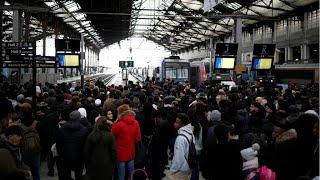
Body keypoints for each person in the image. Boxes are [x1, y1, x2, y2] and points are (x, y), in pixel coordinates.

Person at [56, 110, 89, 180]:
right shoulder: (84, 130)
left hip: (66, 157)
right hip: (79, 158)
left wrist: (61, 155)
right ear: (79, 118)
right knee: (79, 175)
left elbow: (59, 144)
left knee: (66, 175)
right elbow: (86, 146)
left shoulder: (62, 129)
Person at [111, 104, 141, 180]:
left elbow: (112, 136)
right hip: (131, 152)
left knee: (121, 175)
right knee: (131, 174)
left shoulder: (118, 124)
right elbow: (138, 139)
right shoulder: (136, 122)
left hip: (120, 154)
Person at [84, 116, 116, 180]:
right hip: (107, 165)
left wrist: (87, 164)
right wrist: (113, 162)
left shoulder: (91, 135)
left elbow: (86, 151)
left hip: (93, 164)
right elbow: (113, 152)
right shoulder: (110, 135)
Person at [169, 113, 194, 180]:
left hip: (180, 171)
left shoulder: (180, 138)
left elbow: (179, 158)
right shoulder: (190, 132)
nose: (174, 124)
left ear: (182, 124)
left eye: (177, 122)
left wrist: (173, 170)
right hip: (188, 167)